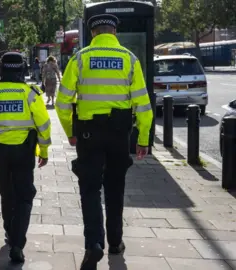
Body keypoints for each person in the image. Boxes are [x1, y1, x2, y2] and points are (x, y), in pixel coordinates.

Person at [55, 14, 153, 270]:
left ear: (93, 34)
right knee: (115, 189)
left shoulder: (80, 58)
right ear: (114, 33)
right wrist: (142, 138)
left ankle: (93, 244)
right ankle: (116, 242)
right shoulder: (129, 60)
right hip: (120, 135)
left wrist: (71, 132)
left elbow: (62, 103)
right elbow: (143, 105)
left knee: (89, 189)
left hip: (88, 134)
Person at [0, 52, 52, 264]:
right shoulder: (30, 94)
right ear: (22, 70)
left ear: (2, 70)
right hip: (24, 150)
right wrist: (43, 152)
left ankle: (9, 231)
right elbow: (43, 125)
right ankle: (17, 243)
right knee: (25, 195)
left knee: (7, 192)